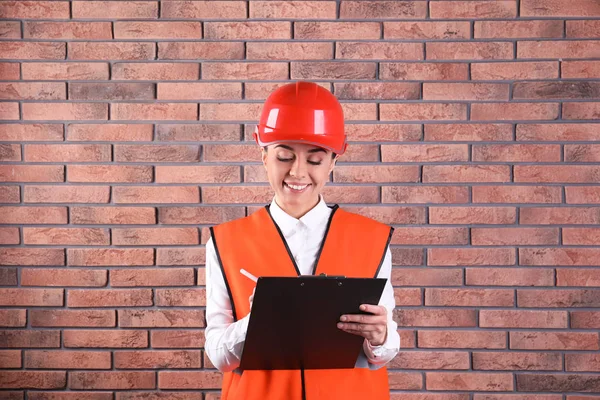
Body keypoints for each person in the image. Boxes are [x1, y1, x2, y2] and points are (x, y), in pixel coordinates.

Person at [205, 81, 400, 400]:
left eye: (314, 160)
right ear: (263, 153)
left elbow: (382, 354)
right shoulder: (225, 242)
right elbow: (218, 355)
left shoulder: (372, 240)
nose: (297, 173)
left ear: (334, 160)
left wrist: (380, 337)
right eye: (284, 156)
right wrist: (255, 324)